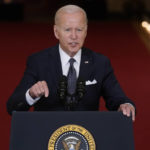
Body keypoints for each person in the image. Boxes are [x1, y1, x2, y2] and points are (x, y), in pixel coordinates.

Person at [7, 4, 135, 121]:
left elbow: (118, 99)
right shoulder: (38, 61)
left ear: (86, 31)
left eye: (79, 30)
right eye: (67, 30)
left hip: (87, 135)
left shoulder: (100, 62)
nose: (74, 36)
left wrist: (125, 105)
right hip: (48, 135)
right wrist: (31, 94)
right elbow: (13, 107)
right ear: (56, 32)